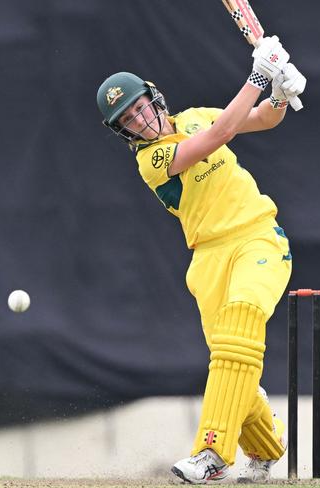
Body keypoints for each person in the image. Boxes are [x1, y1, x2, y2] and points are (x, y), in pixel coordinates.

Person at [96, 35, 305, 484]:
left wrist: (281, 94)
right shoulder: (152, 160)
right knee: (232, 358)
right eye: (128, 120)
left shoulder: (194, 118)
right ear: (124, 132)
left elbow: (259, 120)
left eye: (139, 107)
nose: (139, 120)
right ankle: (267, 450)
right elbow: (222, 134)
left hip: (258, 238)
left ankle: (211, 454)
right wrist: (257, 75)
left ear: (155, 99)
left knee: (239, 330)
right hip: (208, 258)